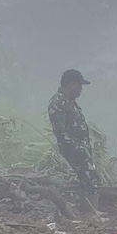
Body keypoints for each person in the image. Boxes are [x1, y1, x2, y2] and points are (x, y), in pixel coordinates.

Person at [47, 69, 100, 215]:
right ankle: (91, 214)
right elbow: (60, 133)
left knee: (88, 180)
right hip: (74, 151)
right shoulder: (58, 103)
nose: (81, 89)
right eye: (79, 86)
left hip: (81, 150)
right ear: (71, 84)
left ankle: (90, 212)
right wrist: (78, 149)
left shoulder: (70, 102)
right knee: (91, 180)